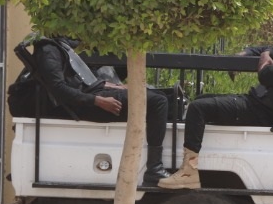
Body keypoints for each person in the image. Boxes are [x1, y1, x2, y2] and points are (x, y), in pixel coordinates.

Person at [159, 15, 273, 191]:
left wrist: (265, 61)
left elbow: (267, 76)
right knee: (201, 99)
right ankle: (192, 162)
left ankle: (188, 173)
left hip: (261, 111)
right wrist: (262, 53)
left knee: (197, 107)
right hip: (261, 105)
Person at [32, 35, 170, 186]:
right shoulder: (48, 50)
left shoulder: (59, 45)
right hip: (86, 104)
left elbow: (83, 80)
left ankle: (155, 167)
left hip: (90, 95)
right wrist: (98, 101)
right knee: (157, 102)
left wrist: (112, 86)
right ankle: (154, 168)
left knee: (159, 95)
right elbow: (59, 90)